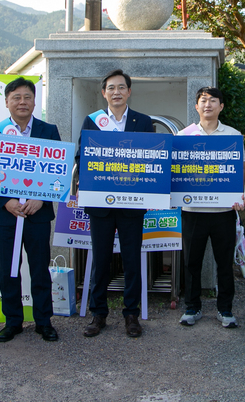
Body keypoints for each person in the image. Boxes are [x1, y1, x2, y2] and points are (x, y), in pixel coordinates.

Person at [77, 69, 154, 338]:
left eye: (121, 87)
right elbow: (82, 156)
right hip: (100, 204)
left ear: (129, 92)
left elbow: (151, 160)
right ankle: (99, 313)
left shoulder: (144, 122)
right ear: (104, 93)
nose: (116, 92)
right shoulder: (92, 121)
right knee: (100, 259)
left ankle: (131, 314)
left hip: (132, 204)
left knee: (132, 260)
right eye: (111, 88)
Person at [0, 77, 61, 343]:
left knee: (40, 268)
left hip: (37, 213)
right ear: (7, 102)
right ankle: (12, 321)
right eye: (16, 97)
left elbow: (58, 173)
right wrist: (6, 201)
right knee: (9, 269)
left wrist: (41, 199)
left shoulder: (48, 130)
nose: (22, 102)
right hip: (6, 214)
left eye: (27, 97)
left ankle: (43, 321)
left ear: (34, 101)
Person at [177, 87, 244, 329]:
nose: (208, 105)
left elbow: (238, 172)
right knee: (191, 262)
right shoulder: (183, 135)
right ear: (196, 107)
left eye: (213, 100)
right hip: (193, 213)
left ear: (221, 106)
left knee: (224, 262)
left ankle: (225, 309)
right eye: (203, 101)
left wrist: (239, 195)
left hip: (224, 213)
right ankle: (191, 307)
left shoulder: (233, 135)